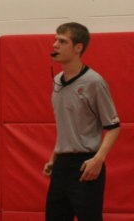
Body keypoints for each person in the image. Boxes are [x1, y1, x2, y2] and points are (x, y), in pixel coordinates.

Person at [43, 22, 120, 221]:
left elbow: (113, 127)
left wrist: (98, 160)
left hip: (86, 164)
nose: (55, 45)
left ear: (78, 48)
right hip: (61, 166)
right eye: (55, 40)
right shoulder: (57, 81)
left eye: (62, 41)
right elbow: (67, 126)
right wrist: (54, 158)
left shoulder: (94, 82)